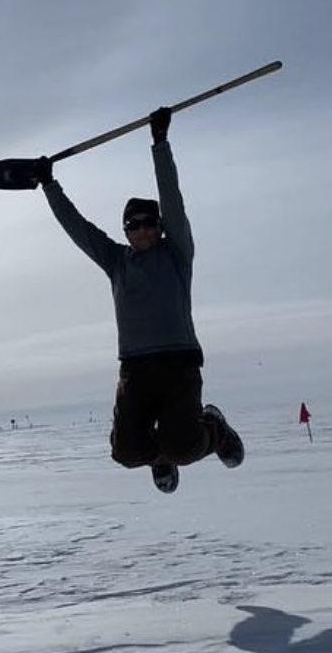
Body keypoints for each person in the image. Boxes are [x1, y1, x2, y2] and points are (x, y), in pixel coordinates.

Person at [33, 107, 244, 494]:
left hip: (178, 361)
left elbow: (174, 201)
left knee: (183, 445)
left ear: (160, 227)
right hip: (135, 368)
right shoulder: (116, 261)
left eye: (150, 223)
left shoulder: (176, 253)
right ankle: (158, 456)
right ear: (126, 231)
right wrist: (49, 184)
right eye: (134, 225)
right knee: (127, 452)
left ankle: (214, 429)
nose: (143, 230)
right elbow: (77, 228)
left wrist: (160, 144)